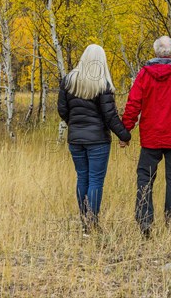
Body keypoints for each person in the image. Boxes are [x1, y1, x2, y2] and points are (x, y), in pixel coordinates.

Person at [121, 36, 171, 237]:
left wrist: (125, 132)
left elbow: (133, 105)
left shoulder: (144, 75)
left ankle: (145, 223)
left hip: (151, 138)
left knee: (145, 179)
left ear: (156, 52)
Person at [57, 44, 131, 234]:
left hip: (75, 139)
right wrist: (124, 135)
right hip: (98, 140)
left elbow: (62, 110)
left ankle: (84, 221)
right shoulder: (102, 84)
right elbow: (110, 116)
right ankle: (92, 223)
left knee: (82, 177)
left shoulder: (68, 81)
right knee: (95, 181)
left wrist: (74, 124)